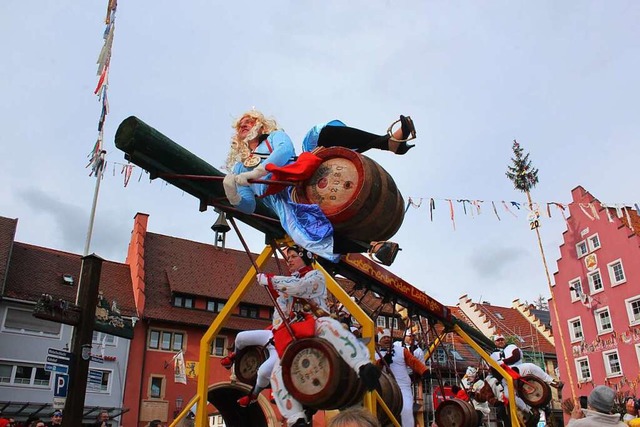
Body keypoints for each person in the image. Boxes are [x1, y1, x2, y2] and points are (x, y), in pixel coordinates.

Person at [222, 110, 417, 262]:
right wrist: (233, 194)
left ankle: (388, 142)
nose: (245, 125)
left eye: (250, 121)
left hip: (297, 169)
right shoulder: (239, 168)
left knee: (319, 132)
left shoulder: (274, 137)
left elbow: (285, 151)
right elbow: (249, 206)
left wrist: (257, 173)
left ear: (261, 126)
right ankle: (372, 247)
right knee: (302, 235)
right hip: (283, 198)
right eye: (241, 125)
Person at [260, 245, 380, 427]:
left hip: (314, 322)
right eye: (288, 257)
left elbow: (300, 288)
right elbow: (280, 312)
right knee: (278, 371)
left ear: (304, 257)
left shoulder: (316, 276)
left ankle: (362, 366)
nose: (289, 260)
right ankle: (295, 417)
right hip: (294, 333)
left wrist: (270, 280)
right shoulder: (287, 284)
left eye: (293, 256)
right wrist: (279, 325)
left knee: (329, 326)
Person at [376, 328, 430, 427]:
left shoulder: (401, 350)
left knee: (406, 409)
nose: (387, 339)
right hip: (385, 388)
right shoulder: (375, 354)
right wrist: (382, 362)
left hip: (403, 385)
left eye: (388, 337)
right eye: (384, 338)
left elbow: (413, 361)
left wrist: (424, 370)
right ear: (380, 341)